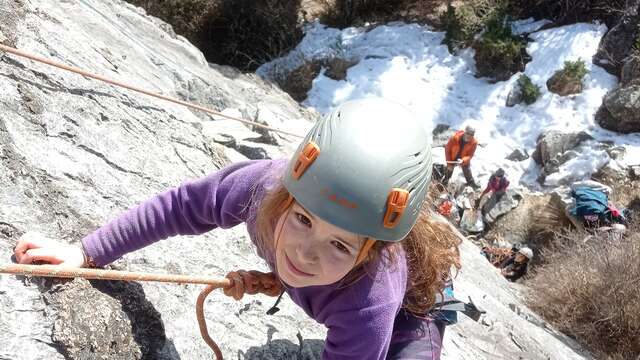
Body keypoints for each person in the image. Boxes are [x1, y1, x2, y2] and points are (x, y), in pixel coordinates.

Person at [13, 98, 462, 360]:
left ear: (368, 254)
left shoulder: (371, 299)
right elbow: (181, 206)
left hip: (412, 316)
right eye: (303, 219)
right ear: (287, 193)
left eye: (340, 245)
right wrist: (88, 253)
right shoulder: (263, 189)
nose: (305, 253)